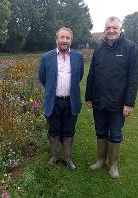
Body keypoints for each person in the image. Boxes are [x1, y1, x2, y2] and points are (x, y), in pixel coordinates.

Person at [85, 16, 138, 178]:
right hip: (99, 100)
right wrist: (89, 96)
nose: (111, 30)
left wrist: (129, 103)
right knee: (100, 131)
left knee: (115, 133)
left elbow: (133, 78)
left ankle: (113, 164)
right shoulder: (99, 48)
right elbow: (92, 75)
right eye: (108, 28)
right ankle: (101, 159)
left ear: (121, 29)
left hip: (118, 102)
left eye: (114, 27)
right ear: (104, 30)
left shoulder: (130, 48)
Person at [38, 27, 84, 171]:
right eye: (62, 37)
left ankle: (68, 158)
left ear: (71, 40)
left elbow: (79, 76)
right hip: (53, 101)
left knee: (69, 130)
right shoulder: (47, 57)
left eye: (67, 38)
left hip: (71, 101)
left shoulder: (78, 57)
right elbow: (42, 77)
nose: (64, 40)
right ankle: (54, 156)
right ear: (57, 39)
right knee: (54, 130)